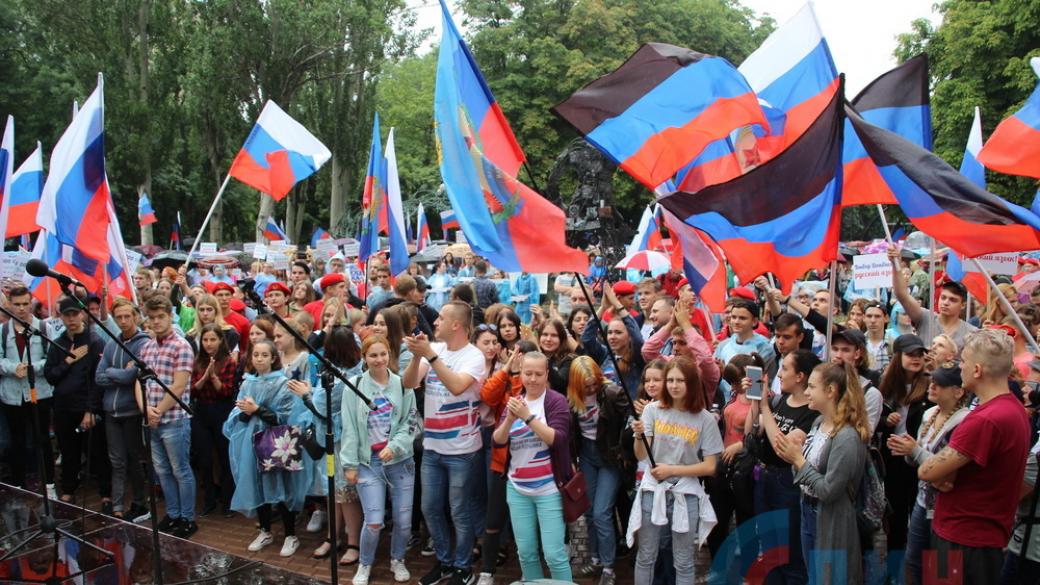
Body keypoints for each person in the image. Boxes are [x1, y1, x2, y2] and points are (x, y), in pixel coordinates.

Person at [918, 329, 1032, 585]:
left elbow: (926, 471)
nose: (960, 367)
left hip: (962, 539)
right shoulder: (1014, 409)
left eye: (964, 361)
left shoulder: (985, 419)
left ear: (977, 370)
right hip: (978, 538)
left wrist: (941, 473)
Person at [402, 301, 487, 585]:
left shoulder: (474, 356)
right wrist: (417, 357)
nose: (435, 322)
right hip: (432, 448)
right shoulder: (435, 349)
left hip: (463, 451)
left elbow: (458, 386)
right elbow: (408, 383)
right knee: (429, 508)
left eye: (441, 318)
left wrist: (430, 355)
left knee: (459, 511)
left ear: (456, 325)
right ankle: (445, 562)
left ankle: (463, 567)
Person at [775, 361, 870, 585]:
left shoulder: (846, 436)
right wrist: (794, 455)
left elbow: (829, 490)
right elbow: (804, 472)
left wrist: (798, 460)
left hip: (831, 517)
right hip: (807, 509)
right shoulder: (818, 423)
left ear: (830, 391)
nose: (807, 392)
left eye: (811, 386)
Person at [629, 357, 722, 585]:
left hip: (686, 493)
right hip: (653, 490)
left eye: (680, 380)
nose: (674, 385)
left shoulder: (705, 419)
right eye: (670, 380)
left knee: (683, 561)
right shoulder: (652, 410)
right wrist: (639, 435)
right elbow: (641, 454)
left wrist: (671, 469)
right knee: (646, 556)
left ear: (691, 383)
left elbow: (710, 466)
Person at [341, 335, 419, 585]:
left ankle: (398, 559)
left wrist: (395, 446)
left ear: (389, 355)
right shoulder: (354, 386)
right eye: (373, 355)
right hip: (368, 462)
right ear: (364, 358)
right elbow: (349, 427)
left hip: (401, 461)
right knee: (374, 521)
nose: (379, 359)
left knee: (403, 521)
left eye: (383, 354)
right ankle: (365, 563)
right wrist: (349, 464)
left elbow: (411, 421)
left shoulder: (402, 384)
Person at [492, 351, 574, 582]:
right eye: (528, 373)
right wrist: (509, 419)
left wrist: (527, 417)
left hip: (549, 489)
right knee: (526, 553)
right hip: (518, 488)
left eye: (539, 374)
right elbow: (497, 440)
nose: (533, 379)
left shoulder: (556, 401)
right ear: (521, 373)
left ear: (547, 374)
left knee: (554, 555)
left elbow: (558, 439)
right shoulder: (515, 400)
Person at [886, 363, 970, 585]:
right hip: (922, 502)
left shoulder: (964, 422)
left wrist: (914, 450)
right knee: (913, 562)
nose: (932, 386)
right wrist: (906, 450)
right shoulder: (929, 414)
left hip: (946, 508)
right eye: (932, 381)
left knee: (941, 571)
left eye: (939, 383)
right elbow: (917, 461)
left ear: (958, 391)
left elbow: (946, 471)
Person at [745, 349, 821, 584]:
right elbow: (750, 432)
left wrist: (765, 407)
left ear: (800, 376)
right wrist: (756, 401)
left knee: (790, 552)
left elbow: (783, 447)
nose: (779, 374)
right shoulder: (780, 401)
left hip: (787, 483)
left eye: (785, 368)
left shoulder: (812, 412)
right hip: (764, 477)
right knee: (769, 549)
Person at [224, 339, 303, 557]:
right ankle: (265, 530)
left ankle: (290, 535)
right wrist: (246, 411)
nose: (259, 359)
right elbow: (238, 414)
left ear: (273, 358)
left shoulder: (282, 383)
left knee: (282, 485)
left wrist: (257, 409)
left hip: (277, 442)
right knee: (257, 483)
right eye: (256, 355)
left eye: (264, 355)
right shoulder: (247, 383)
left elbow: (285, 417)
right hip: (251, 440)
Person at [567, 355, 632, 585]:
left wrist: (624, 450)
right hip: (587, 456)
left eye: (594, 383)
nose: (591, 388)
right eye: (586, 386)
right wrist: (572, 459)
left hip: (609, 458)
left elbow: (631, 420)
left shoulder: (612, 393)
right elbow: (572, 432)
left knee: (601, 512)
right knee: (589, 511)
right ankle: (595, 557)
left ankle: (608, 567)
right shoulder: (572, 398)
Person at [137, 294, 197, 538]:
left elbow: (179, 385)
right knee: (162, 470)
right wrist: (145, 409)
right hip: (152, 418)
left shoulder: (181, 346)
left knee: (180, 470)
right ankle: (172, 513)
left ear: (170, 316)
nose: (156, 322)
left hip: (174, 419)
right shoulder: (147, 347)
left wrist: (158, 410)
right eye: (152, 318)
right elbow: (138, 381)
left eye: (161, 316)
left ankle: (187, 517)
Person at [45, 297, 109, 508]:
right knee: (68, 451)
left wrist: (91, 409)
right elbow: (50, 375)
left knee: (98, 452)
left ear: (82, 314)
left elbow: (98, 379)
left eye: (75, 314)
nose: (71, 319)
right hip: (63, 407)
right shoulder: (58, 343)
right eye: (67, 315)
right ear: (61, 317)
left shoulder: (95, 341)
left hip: (87, 406)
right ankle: (69, 488)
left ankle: (105, 493)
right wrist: (68, 360)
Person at [95, 298, 150, 522]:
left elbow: (132, 375)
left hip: (131, 411)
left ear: (135, 316)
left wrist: (112, 371)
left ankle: (140, 502)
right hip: (111, 410)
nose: (124, 321)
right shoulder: (111, 344)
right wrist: (118, 373)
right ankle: (117, 505)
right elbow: (99, 377)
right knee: (116, 460)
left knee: (134, 458)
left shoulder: (143, 343)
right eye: (119, 317)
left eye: (128, 316)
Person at [877, 333, 932, 557]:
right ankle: (895, 564)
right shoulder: (885, 384)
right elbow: (871, 418)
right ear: (898, 356)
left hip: (918, 455)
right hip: (892, 455)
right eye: (910, 354)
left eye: (920, 354)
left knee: (920, 513)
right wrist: (885, 421)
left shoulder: (930, 385)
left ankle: (917, 564)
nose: (916, 358)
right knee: (895, 515)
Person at [0, 286, 56, 497]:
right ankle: (19, 484)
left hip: (39, 392)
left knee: (43, 439)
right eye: (17, 304)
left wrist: (34, 367)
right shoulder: (3, 330)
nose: (22, 308)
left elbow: (51, 358)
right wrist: (12, 368)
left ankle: (49, 484)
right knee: (17, 440)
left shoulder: (43, 327)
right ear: (10, 305)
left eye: (25, 303)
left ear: (31, 302)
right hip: (12, 394)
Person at [191, 323, 238, 518]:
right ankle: (209, 500)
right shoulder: (197, 361)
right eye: (205, 339)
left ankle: (228, 501)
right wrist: (204, 377)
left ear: (220, 341)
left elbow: (227, 392)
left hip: (222, 411)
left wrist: (213, 377)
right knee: (204, 458)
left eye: (213, 339)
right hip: (201, 411)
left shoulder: (229, 361)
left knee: (225, 457)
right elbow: (192, 391)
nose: (208, 344)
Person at [889, 245, 977, 347]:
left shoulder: (971, 333)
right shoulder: (925, 318)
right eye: (943, 298)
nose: (946, 303)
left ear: (963, 305)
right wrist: (895, 264)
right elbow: (902, 294)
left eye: (953, 300)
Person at [583, 281, 644, 398]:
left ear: (629, 336)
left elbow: (638, 340)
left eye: (618, 332)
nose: (612, 337)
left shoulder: (637, 357)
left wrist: (616, 303)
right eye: (610, 332)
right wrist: (603, 308)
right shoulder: (605, 353)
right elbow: (586, 338)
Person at [714, 298, 776, 395]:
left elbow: (753, 383)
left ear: (754, 321)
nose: (736, 321)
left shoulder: (764, 348)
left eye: (742, 318)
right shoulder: (723, 345)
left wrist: (725, 371)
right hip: (725, 400)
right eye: (734, 317)